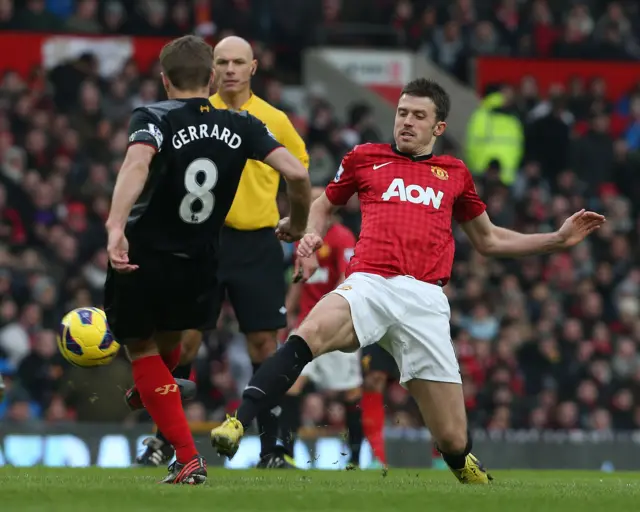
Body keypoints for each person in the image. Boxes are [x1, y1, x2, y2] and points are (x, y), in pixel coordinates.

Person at [209, 78, 606, 484]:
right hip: (369, 284)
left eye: (419, 116)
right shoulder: (365, 158)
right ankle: (238, 422)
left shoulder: (455, 173)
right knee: (308, 331)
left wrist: (556, 240)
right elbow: (325, 203)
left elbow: (489, 239)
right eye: (402, 113)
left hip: (425, 300)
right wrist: (311, 235)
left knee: (452, 438)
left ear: (439, 128)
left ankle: (468, 470)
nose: (407, 122)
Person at [104, 35, 310, 484]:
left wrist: (115, 225)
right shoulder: (242, 124)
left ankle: (185, 455)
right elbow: (296, 172)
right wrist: (297, 222)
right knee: (173, 340)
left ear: (163, 79)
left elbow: (137, 165)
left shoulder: (152, 116)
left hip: (148, 254)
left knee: (141, 347)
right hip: (201, 259)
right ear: (212, 77)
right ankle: (153, 388)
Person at [280, 186, 363, 469]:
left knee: (349, 393)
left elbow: (345, 279)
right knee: (291, 384)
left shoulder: (341, 237)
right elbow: (299, 279)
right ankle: (286, 452)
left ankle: (354, 457)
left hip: (334, 325)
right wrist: (287, 312)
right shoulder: (304, 240)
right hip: (305, 324)